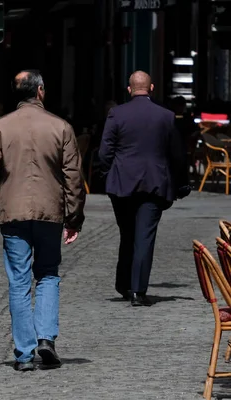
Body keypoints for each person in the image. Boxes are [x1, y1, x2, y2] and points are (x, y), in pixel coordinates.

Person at [0, 70, 86, 371]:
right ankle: (46, 339)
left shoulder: (0, 128)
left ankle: (24, 353)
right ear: (39, 91)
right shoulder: (61, 127)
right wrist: (74, 218)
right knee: (48, 274)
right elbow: (73, 177)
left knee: (19, 281)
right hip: (50, 212)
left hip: (13, 213)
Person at [99, 71, 190, 307]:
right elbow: (177, 155)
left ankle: (123, 284)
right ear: (151, 89)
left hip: (121, 184)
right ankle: (138, 290)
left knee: (127, 233)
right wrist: (180, 183)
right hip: (154, 183)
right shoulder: (166, 116)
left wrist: (106, 174)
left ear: (129, 90)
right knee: (144, 236)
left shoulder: (116, 114)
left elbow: (104, 151)